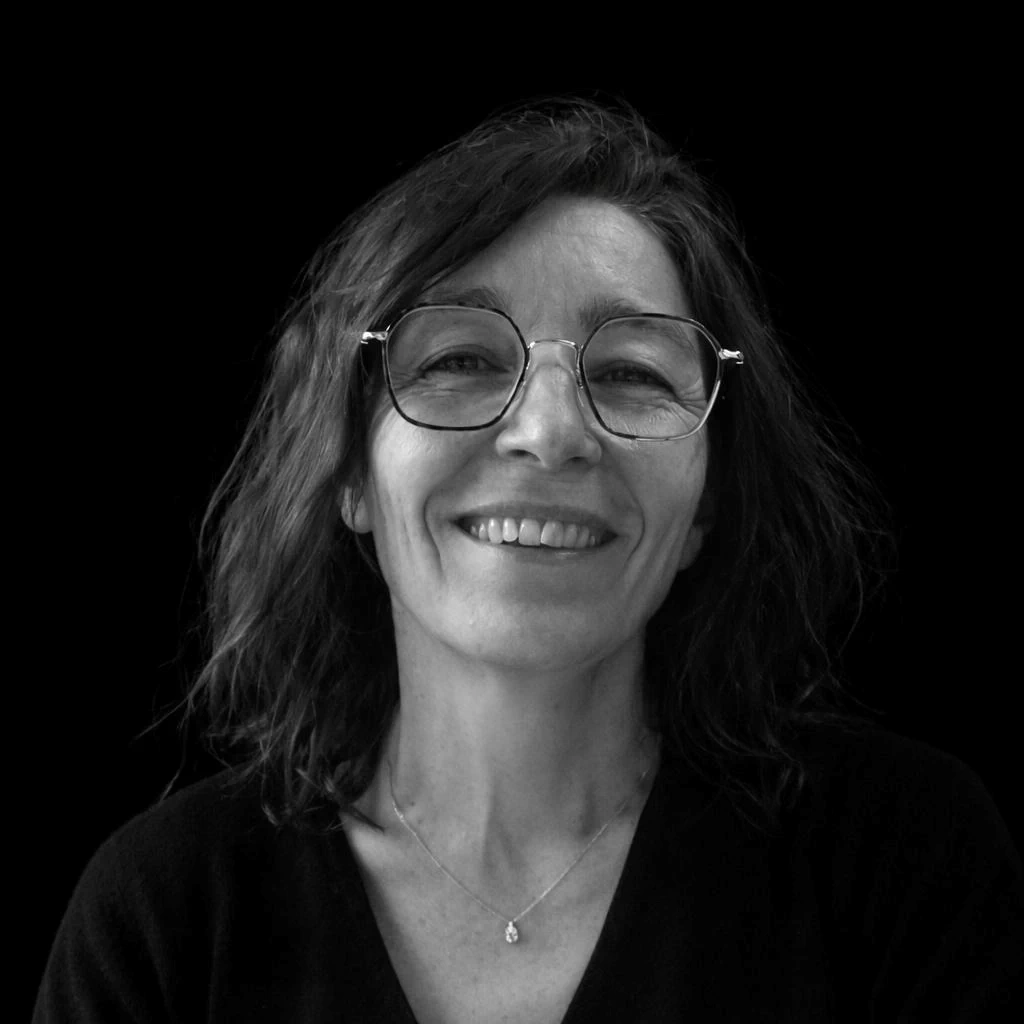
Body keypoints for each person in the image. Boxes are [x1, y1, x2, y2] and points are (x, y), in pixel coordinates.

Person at [35, 96, 1022, 1022]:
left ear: (708, 502)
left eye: (630, 372)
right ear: (348, 472)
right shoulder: (167, 914)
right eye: (460, 360)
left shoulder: (898, 864)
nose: (549, 434)